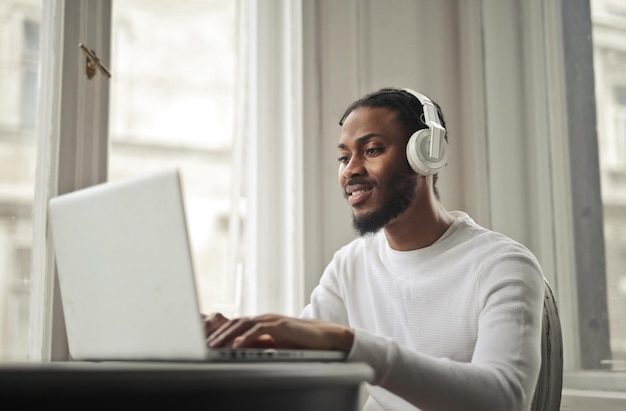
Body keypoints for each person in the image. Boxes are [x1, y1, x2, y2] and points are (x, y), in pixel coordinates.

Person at [204, 87, 545, 411]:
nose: (350, 170)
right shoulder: (351, 263)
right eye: (343, 157)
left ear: (426, 154)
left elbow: (506, 399)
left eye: (372, 150)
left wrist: (350, 343)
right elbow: (302, 354)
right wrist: (236, 340)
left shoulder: (502, 264)